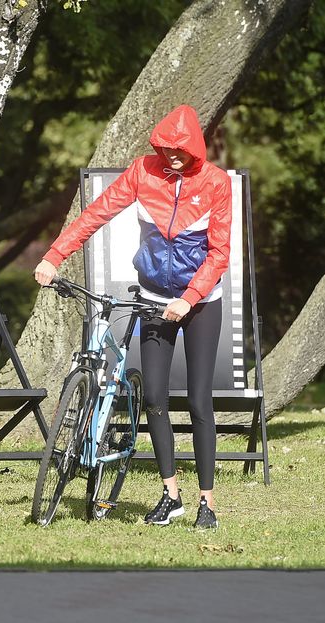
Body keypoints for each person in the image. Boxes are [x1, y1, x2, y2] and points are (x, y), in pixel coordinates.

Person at [33, 104, 230, 529]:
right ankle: (170, 497)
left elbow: (219, 253)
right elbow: (96, 214)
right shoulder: (143, 171)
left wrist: (189, 298)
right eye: (165, 149)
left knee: (198, 401)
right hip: (153, 298)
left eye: (180, 151)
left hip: (200, 303)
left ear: (195, 149)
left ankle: (207, 503)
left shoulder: (215, 182)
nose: (172, 157)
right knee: (154, 398)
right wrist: (54, 256)